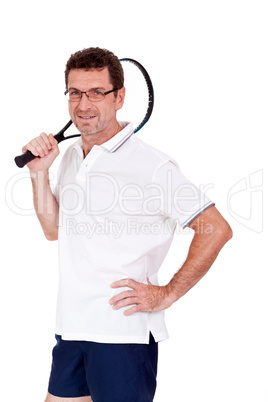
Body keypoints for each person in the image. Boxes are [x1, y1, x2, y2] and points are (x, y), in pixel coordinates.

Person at [22, 47, 232, 402]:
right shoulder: (72, 155)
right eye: (75, 92)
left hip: (122, 336)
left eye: (96, 92)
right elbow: (53, 230)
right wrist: (39, 175)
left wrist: (166, 293)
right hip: (72, 328)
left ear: (119, 97)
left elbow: (216, 228)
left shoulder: (152, 165)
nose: (83, 104)